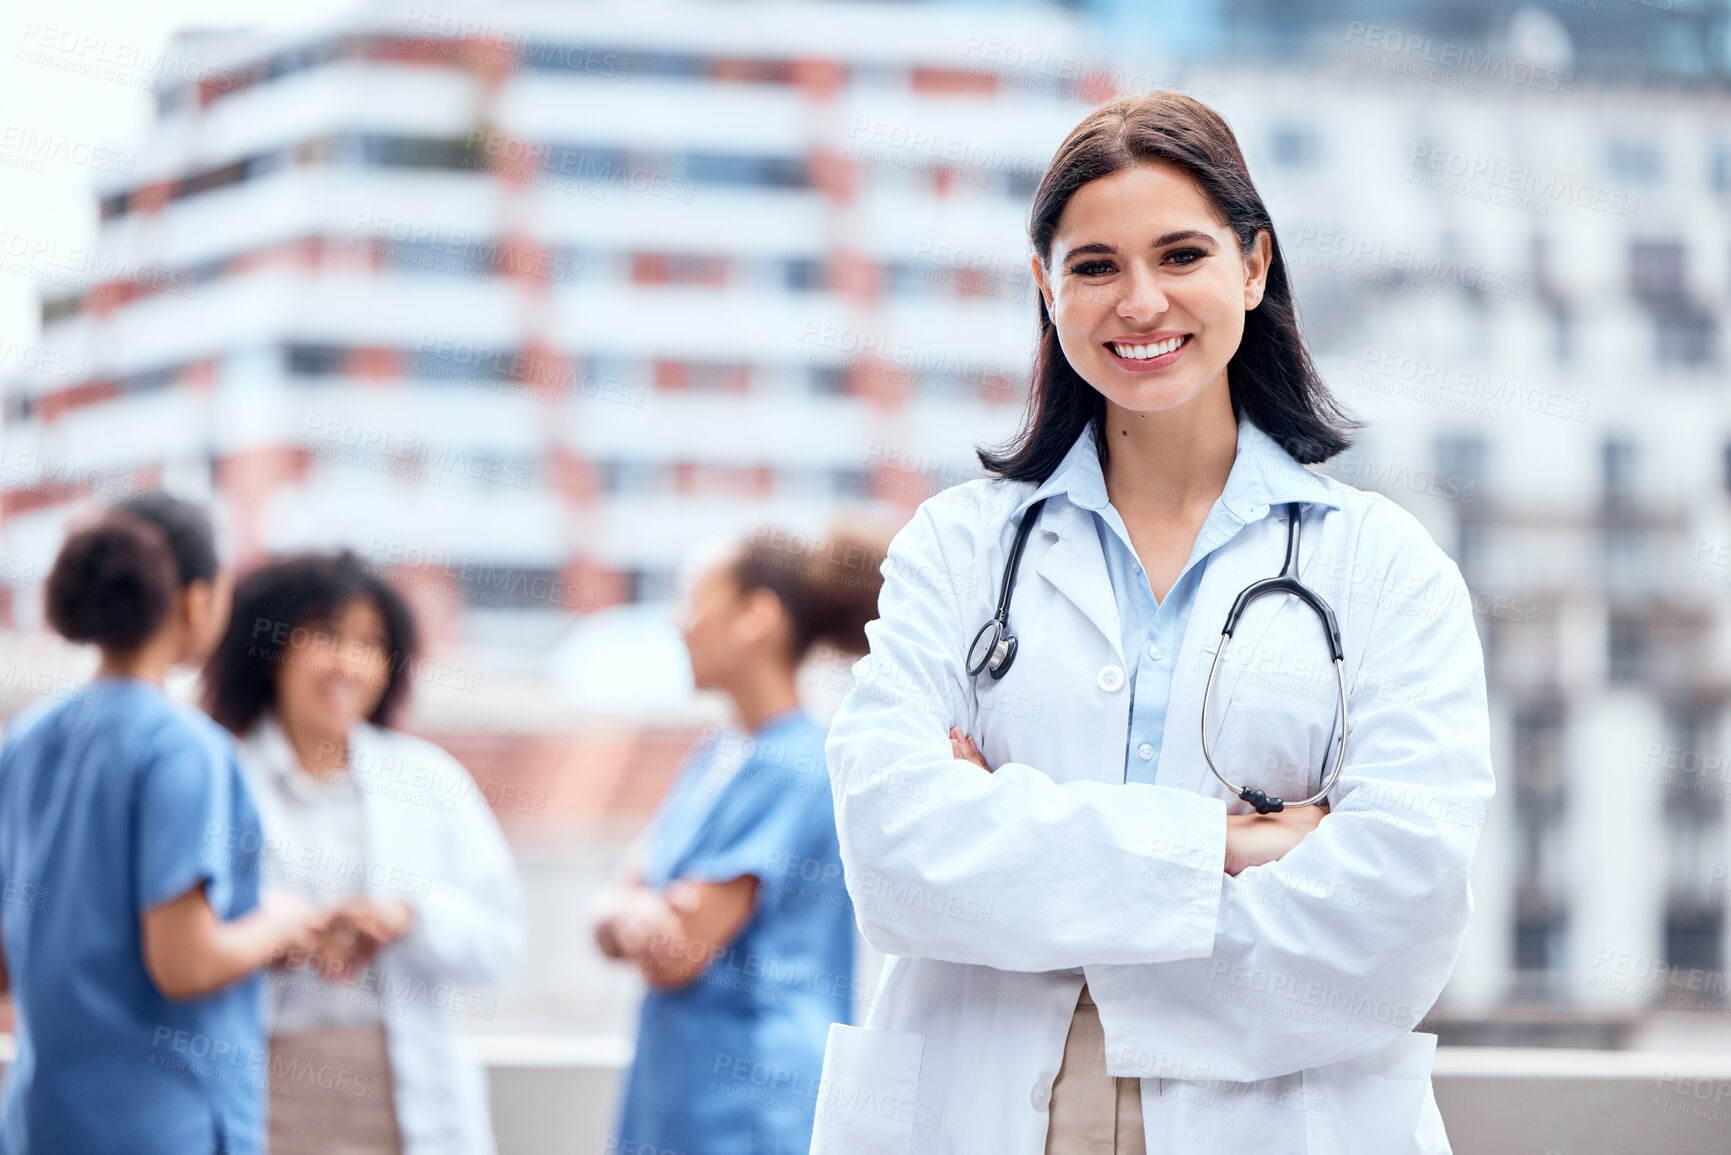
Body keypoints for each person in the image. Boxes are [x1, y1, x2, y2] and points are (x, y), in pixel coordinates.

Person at [812, 91, 1496, 1155]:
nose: (1141, 302)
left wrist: (1023, 860)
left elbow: (1398, 912)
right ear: (1047, 288)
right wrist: (1227, 844)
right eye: (1094, 267)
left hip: (1270, 1114)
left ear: (1254, 267)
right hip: (985, 1107)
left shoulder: (1384, 568)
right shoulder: (958, 550)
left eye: (1181, 255)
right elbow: (893, 855)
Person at [0, 493, 335, 1155]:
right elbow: (183, 962)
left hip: (45, 1122)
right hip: (165, 1124)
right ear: (195, 600)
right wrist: (284, 922)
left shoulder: (28, 738)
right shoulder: (185, 750)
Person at [199, 550, 525, 1155]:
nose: (347, 662)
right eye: (324, 636)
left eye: (369, 643)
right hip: (268, 1084)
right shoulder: (218, 778)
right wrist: (283, 931)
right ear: (272, 648)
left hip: (405, 1093)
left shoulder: (429, 780)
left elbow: (497, 944)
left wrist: (407, 916)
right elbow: (183, 938)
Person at [592, 524, 886, 1155]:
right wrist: (631, 912)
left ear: (757, 617)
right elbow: (619, 904)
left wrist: (635, 913)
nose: (678, 624)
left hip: (751, 1106)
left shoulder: (794, 764)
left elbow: (674, 949)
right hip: (687, 1093)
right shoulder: (716, 755)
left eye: (694, 600)